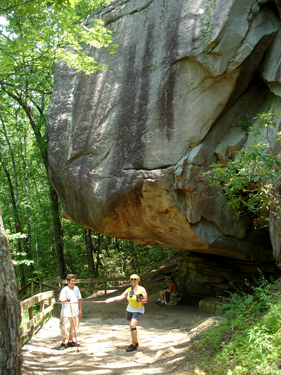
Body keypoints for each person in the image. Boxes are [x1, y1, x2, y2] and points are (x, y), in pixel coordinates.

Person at [105, 274, 147, 352]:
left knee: (132, 325)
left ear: (138, 280)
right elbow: (121, 297)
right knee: (131, 327)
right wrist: (111, 299)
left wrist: (140, 300)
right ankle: (135, 341)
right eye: (132, 279)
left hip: (138, 309)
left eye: (135, 279)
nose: (133, 281)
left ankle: (133, 345)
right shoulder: (129, 290)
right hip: (129, 309)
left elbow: (145, 300)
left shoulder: (142, 289)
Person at [58, 274, 82, 350]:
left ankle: (71, 341)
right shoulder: (64, 290)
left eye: (74, 281)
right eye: (72, 281)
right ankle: (63, 343)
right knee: (65, 328)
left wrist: (80, 310)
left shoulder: (76, 289)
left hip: (75, 312)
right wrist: (67, 300)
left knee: (73, 328)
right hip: (66, 313)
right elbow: (61, 301)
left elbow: (79, 300)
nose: (73, 282)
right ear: (68, 281)